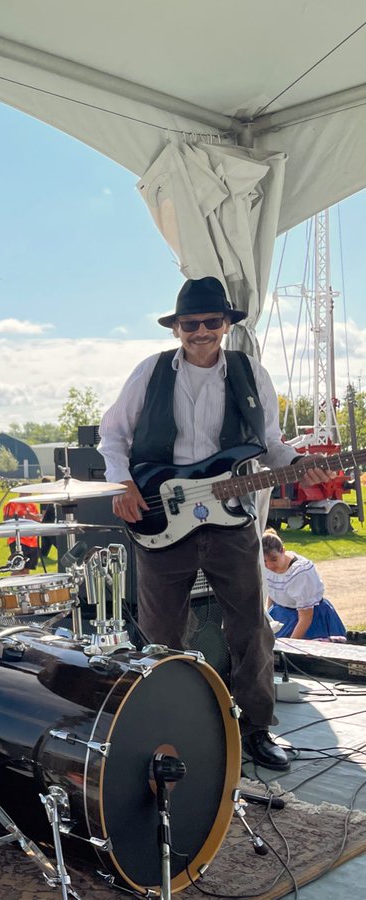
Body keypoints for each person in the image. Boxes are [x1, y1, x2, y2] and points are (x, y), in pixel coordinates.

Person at [98, 276, 333, 772]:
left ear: (226, 324)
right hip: (162, 514)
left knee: (250, 625)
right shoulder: (152, 371)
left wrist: (299, 462)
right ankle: (170, 729)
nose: (200, 331)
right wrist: (122, 484)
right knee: (162, 631)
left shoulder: (251, 373)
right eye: (190, 323)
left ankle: (257, 730)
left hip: (231, 518)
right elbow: (113, 434)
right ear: (176, 328)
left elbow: (269, 442)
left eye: (210, 322)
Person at [262, 528, 347, 641]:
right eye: (265, 561)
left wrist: (291, 646)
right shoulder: (266, 567)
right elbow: (273, 592)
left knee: (304, 657)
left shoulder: (301, 573)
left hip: (311, 621)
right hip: (282, 616)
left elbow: (306, 617)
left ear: (283, 550)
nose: (270, 565)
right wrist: (271, 620)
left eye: (274, 559)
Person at [2, 498, 41, 574]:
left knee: (27, 569)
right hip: (18, 540)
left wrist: (36, 518)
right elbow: (6, 519)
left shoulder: (33, 505)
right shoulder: (12, 504)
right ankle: (13, 585)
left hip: (33, 542)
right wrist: (24, 517)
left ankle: (25, 586)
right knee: (17, 568)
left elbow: (37, 521)